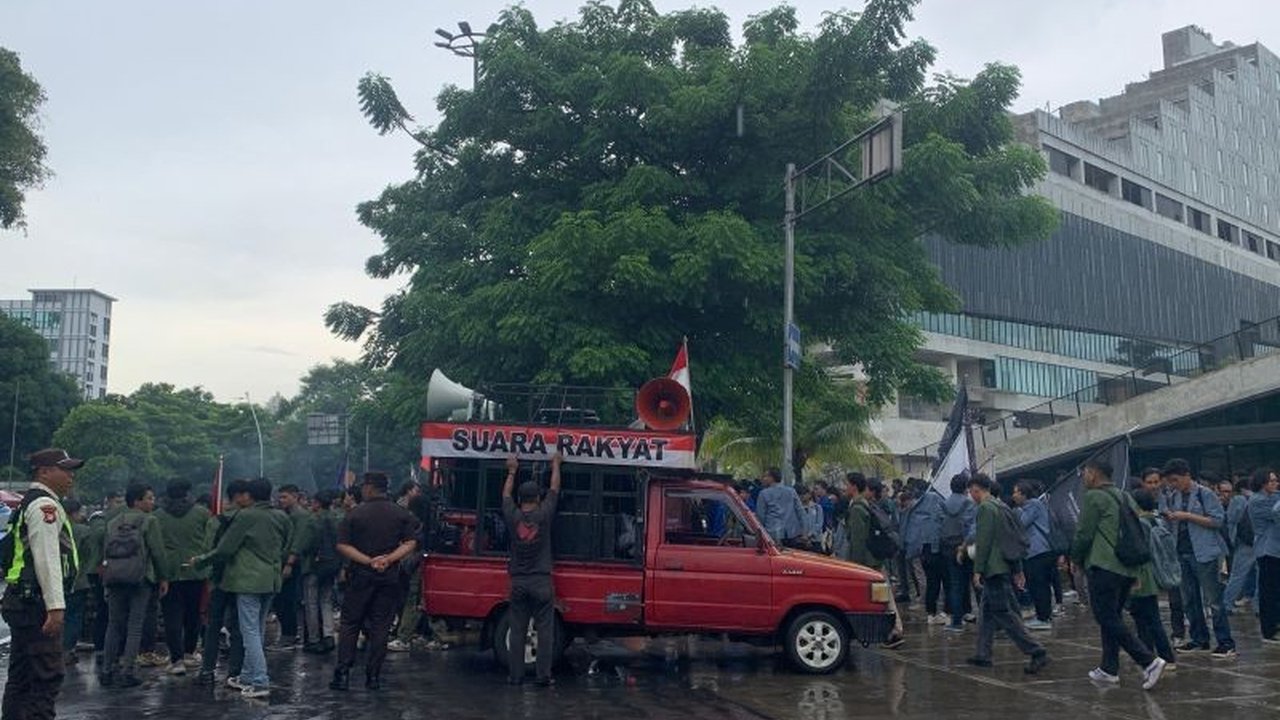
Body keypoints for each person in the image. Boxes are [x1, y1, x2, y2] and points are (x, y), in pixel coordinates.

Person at [192, 477, 290, 700]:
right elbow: (286, 545)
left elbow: (225, 549)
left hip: (248, 581)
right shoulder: (281, 516)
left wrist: (200, 561)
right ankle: (246, 675)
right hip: (272, 579)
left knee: (250, 632)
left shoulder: (246, 516)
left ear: (249, 495)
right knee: (257, 628)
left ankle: (259, 681)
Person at [2, 448, 81, 720]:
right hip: (35, 603)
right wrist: (55, 607)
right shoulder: (44, 506)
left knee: (22, 676)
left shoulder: (30, 502)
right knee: (46, 677)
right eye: (65, 469)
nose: (71, 475)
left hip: (21, 600)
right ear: (44, 472)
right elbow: (47, 559)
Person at [1071, 458, 1165, 688]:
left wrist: (1074, 559)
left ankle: (1148, 660)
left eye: (1085, 472)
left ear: (1093, 474)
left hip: (1104, 565)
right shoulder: (1125, 495)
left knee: (1106, 616)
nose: (1083, 477)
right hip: (1126, 566)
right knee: (1112, 616)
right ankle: (1109, 668)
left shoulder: (1094, 497)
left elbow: (1084, 534)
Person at [329, 472, 421, 691]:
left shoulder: (354, 514)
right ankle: (373, 677)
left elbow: (342, 545)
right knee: (381, 626)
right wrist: (388, 559)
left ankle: (342, 673)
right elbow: (411, 543)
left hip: (360, 575)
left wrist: (369, 561)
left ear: (369, 488)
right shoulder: (401, 514)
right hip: (389, 577)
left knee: (351, 624)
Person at [965, 473, 1048, 675]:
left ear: (977, 489)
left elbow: (983, 542)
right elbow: (1013, 537)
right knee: (986, 612)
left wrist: (978, 570)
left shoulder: (985, 508)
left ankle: (1036, 651)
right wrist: (1017, 568)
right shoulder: (1001, 506)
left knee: (1004, 614)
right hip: (1004, 565)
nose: (971, 496)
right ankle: (983, 653)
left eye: (971, 492)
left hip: (994, 567)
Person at [1161, 458, 1235, 658]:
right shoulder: (1173, 496)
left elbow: (1218, 520)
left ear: (1186, 475)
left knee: (1214, 599)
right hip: (1182, 551)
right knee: (1190, 599)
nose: (1173, 484)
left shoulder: (1205, 494)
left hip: (1204, 552)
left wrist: (1187, 516)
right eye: (1170, 481)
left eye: (1176, 480)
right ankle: (1199, 638)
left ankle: (1225, 641)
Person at [100, 483, 169, 688]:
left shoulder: (112, 522)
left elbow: (105, 551)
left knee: (113, 624)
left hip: (114, 578)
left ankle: (106, 670)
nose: (152, 501)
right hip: (141, 578)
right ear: (137, 501)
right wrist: (163, 577)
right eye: (149, 498)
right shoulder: (149, 520)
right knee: (135, 626)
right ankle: (127, 671)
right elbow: (157, 552)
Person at [501, 454, 562, 686]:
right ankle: (543, 676)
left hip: (518, 581)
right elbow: (555, 488)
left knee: (517, 629)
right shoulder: (544, 514)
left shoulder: (512, 515)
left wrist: (512, 471)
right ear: (538, 497)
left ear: (520, 498)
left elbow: (505, 494)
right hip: (541, 581)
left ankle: (515, 676)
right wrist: (555, 464)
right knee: (545, 631)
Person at [194, 478, 250, 685]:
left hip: (217, 579)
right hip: (239, 579)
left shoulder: (215, 520)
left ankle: (207, 669)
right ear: (240, 496)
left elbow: (207, 548)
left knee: (213, 625)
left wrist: (208, 575)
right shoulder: (248, 519)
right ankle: (234, 671)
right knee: (237, 627)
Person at [155, 480, 211, 675]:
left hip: (168, 572)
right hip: (196, 569)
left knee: (172, 616)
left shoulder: (157, 516)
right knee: (194, 614)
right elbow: (210, 540)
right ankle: (189, 653)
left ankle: (176, 660)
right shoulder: (202, 513)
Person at [843, 474, 904, 648]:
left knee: (881, 598)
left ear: (854, 486)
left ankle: (894, 630)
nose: (844, 487)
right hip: (875, 558)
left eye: (846, 484)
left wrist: (854, 566)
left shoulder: (856, 508)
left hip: (867, 562)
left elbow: (858, 540)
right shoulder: (866, 504)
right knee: (884, 596)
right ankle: (895, 629)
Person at [1127, 488, 1177, 667]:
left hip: (1141, 576)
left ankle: (1157, 657)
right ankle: (1156, 657)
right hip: (1154, 573)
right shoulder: (1157, 520)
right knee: (1150, 617)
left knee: (1146, 619)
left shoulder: (1140, 523)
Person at [275, 483, 315, 650]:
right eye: (280, 497)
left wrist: (290, 562)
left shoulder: (301, 516)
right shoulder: (288, 514)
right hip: (285, 561)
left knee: (286, 599)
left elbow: (298, 541)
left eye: (284, 497)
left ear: (295, 496)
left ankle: (289, 635)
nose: (281, 500)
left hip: (294, 564)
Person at [302, 489, 341, 654]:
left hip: (315, 565)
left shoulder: (313, 520)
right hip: (333, 564)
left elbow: (307, 543)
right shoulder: (338, 518)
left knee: (311, 603)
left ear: (317, 503)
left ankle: (313, 639)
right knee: (326, 601)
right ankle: (329, 635)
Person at [1012, 480, 1054, 630]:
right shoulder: (1028, 506)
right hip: (1033, 553)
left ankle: (1044, 618)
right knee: (1036, 585)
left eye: (1016, 492)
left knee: (1040, 585)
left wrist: (1016, 512)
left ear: (1024, 494)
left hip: (1039, 551)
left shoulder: (1033, 504)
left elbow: (1022, 524)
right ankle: (1042, 615)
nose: (1013, 495)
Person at [900, 484, 945, 624]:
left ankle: (930, 612)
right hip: (934, 549)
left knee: (929, 580)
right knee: (936, 580)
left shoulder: (912, 512)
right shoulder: (934, 508)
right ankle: (936, 611)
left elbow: (907, 532)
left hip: (920, 550)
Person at [1249, 468, 1280, 642]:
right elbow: (1276, 513)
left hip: (1275, 548)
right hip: (1267, 549)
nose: (1276, 484)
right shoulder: (1258, 500)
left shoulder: (1272, 497)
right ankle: (1269, 629)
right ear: (1263, 483)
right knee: (1269, 591)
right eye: (1272, 481)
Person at [940, 474, 974, 632]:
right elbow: (971, 526)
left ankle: (956, 621)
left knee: (955, 584)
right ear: (966, 487)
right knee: (974, 582)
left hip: (947, 547)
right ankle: (977, 615)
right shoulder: (969, 503)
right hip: (965, 546)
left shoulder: (943, 503)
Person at [1223, 472, 1258, 611]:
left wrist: (1233, 540)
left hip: (1244, 542)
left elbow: (1231, 521)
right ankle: (1258, 606)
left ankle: (1227, 603)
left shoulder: (1238, 500)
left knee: (1237, 575)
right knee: (1259, 576)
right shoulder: (1257, 498)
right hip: (1258, 541)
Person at [62, 498, 91, 667]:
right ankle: (68, 650)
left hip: (57, 579)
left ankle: (55, 649)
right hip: (79, 580)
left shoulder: (55, 528)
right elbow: (89, 554)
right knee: (74, 616)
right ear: (73, 513)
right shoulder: (84, 531)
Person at [754, 468, 809, 549]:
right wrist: (805, 532)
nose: (763, 479)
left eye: (765, 476)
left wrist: (759, 535)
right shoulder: (791, 491)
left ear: (772, 478)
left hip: (772, 534)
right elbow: (801, 512)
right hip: (792, 533)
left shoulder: (763, 494)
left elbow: (760, 516)